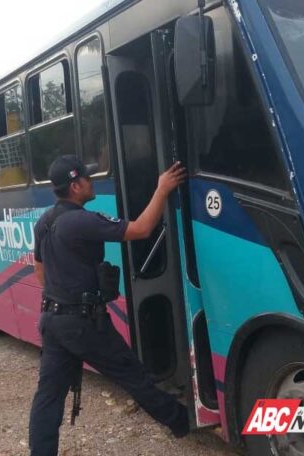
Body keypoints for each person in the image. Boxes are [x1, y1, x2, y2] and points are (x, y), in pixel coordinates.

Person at [28, 155, 189, 456]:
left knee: (48, 397)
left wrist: (60, 297)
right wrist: (162, 188)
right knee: (134, 376)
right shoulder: (82, 221)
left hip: (52, 320)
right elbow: (141, 229)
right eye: (88, 178)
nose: (93, 182)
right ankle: (182, 422)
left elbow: (40, 269)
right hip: (84, 324)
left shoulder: (45, 221)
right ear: (75, 186)